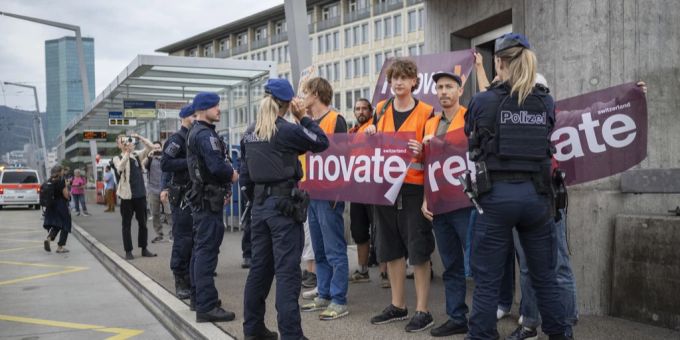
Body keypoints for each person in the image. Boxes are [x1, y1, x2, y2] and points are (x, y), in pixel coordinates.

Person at [464, 33, 569, 340]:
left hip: (495, 199)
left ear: (499, 61)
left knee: (487, 282)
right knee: (545, 279)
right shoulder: (545, 101)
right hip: (537, 200)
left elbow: (472, 135)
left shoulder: (482, 101)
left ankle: (481, 335)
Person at [242, 78, 329, 340]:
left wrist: (258, 200)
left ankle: (253, 330)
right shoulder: (286, 130)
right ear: (287, 103)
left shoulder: (249, 132)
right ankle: (291, 335)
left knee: (260, 270)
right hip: (283, 209)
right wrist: (303, 117)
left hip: (259, 209)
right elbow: (321, 141)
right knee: (288, 272)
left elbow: (245, 175)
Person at [364, 57, 436, 333]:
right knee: (390, 247)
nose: (398, 82)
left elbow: (437, 154)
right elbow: (370, 152)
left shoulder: (428, 112)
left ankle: (423, 310)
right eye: (394, 78)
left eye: (404, 78)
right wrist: (369, 133)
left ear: (414, 81)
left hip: (415, 189)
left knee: (418, 250)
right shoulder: (380, 110)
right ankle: (398, 305)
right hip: (385, 189)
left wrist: (424, 150)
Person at [420, 71, 473, 337]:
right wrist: (425, 199)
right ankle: (457, 317)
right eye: (439, 87)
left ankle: (485, 318)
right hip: (439, 205)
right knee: (451, 265)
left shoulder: (469, 118)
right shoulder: (431, 124)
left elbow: (473, 152)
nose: (443, 91)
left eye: (449, 87)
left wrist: (441, 143)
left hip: (466, 203)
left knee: (478, 263)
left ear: (459, 90)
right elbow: (428, 166)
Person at [298, 77, 350, 321]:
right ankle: (325, 293)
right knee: (319, 248)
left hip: (329, 193)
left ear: (316, 94)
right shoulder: (308, 122)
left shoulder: (335, 119)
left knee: (334, 249)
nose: (302, 96)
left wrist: (338, 191)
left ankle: (339, 299)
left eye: (305, 92)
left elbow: (343, 156)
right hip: (312, 191)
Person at [186, 92, 238, 323]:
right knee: (207, 252)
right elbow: (217, 166)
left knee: (200, 251)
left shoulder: (195, 132)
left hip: (204, 198)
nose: (219, 109)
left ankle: (199, 298)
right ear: (203, 109)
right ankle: (206, 306)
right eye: (214, 106)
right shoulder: (205, 135)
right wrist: (232, 174)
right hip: (208, 200)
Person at [347, 98, 388, 287]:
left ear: (371, 111)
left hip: (375, 187)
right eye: (357, 108)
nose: (361, 111)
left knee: (380, 229)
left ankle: (385, 274)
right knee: (359, 231)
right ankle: (363, 270)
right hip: (356, 189)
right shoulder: (352, 132)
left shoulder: (375, 127)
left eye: (364, 108)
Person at [161, 104, 196, 301]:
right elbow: (166, 163)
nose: (195, 119)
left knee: (193, 239)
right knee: (182, 239)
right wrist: (189, 162)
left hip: (194, 194)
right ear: (183, 118)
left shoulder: (194, 136)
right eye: (192, 116)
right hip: (181, 195)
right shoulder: (177, 139)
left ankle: (191, 278)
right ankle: (180, 280)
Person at [112, 133, 157, 260]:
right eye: (122, 141)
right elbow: (120, 167)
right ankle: (128, 251)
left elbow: (151, 148)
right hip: (127, 196)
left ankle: (144, 248)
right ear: (118, 144)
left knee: (143, 223)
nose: (125, 143)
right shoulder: (117, 157)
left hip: (140, 194)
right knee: (126, 224)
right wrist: (127, 152)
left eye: (126, 140)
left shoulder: (137, 155)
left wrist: (140, 138)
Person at [146, 141, 172, 243]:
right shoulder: (150, 159)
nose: (156, 150)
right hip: (153, 190)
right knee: (155, 213)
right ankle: (159, 234)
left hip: (165, 189)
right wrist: (149, 156)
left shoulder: (166, 159)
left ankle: (172, 234)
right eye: (155, 148)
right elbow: (143, 165)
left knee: (169, 212)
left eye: (158, 148)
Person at [43, 165, 72, 253]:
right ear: (59, 172)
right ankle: (60, 247)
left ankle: (49, 239)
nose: (64, 172)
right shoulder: (61, 181)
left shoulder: (49, 180)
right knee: (66, 225)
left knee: (57, 224)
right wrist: (66, 187)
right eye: (63, 171)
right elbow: (66, 195)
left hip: (52, 206)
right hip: (61, 205)